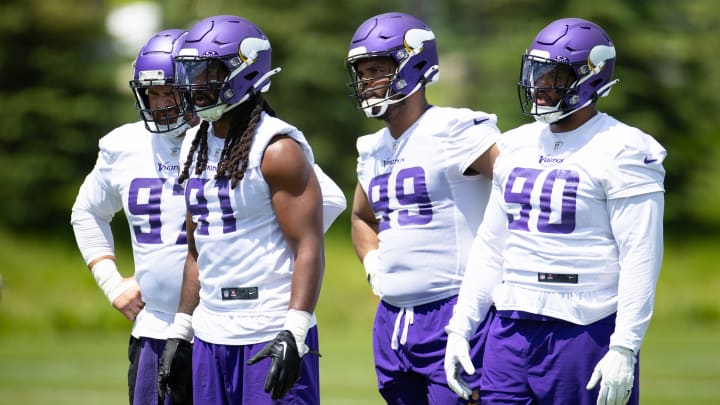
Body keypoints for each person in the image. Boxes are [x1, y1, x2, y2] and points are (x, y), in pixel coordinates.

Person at [444, 18, 666, 405]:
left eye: (556, 75)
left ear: (592, 78)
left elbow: (640, 257)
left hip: (584, 326)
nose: (541, 84)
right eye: (537, 70)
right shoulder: (514, 145)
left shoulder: (625, 148)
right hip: (510, 326)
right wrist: (461, 327)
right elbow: (491, 245)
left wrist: (624, 347)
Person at [157, 15, 342, 405]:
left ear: (246, 71)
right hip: (211, 333)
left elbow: (308, 246)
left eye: (208, 72)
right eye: (190, 71)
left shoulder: (276, 148)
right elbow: (197, 249)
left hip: (268, 331)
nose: (196, 84)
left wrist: (295, 329)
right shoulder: (194, 141)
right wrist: (181, 328)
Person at [345, 12, 501, 404]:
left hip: (454, 310)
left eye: (377, 69)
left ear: (413, 66)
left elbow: (517, 191)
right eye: (361, 72)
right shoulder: (373, 148)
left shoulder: (456, 130)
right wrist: (372, 263)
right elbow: (362, 217)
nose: (367, 82)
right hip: (393, 320)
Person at [71, 29, 196, 405]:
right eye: (152, 93)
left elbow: (324, 201)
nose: (160, 104)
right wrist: (112, 283)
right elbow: (87, 212)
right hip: (155, 327)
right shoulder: (123, 145)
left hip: (221, 328)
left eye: (169, 92)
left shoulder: (230, 137)